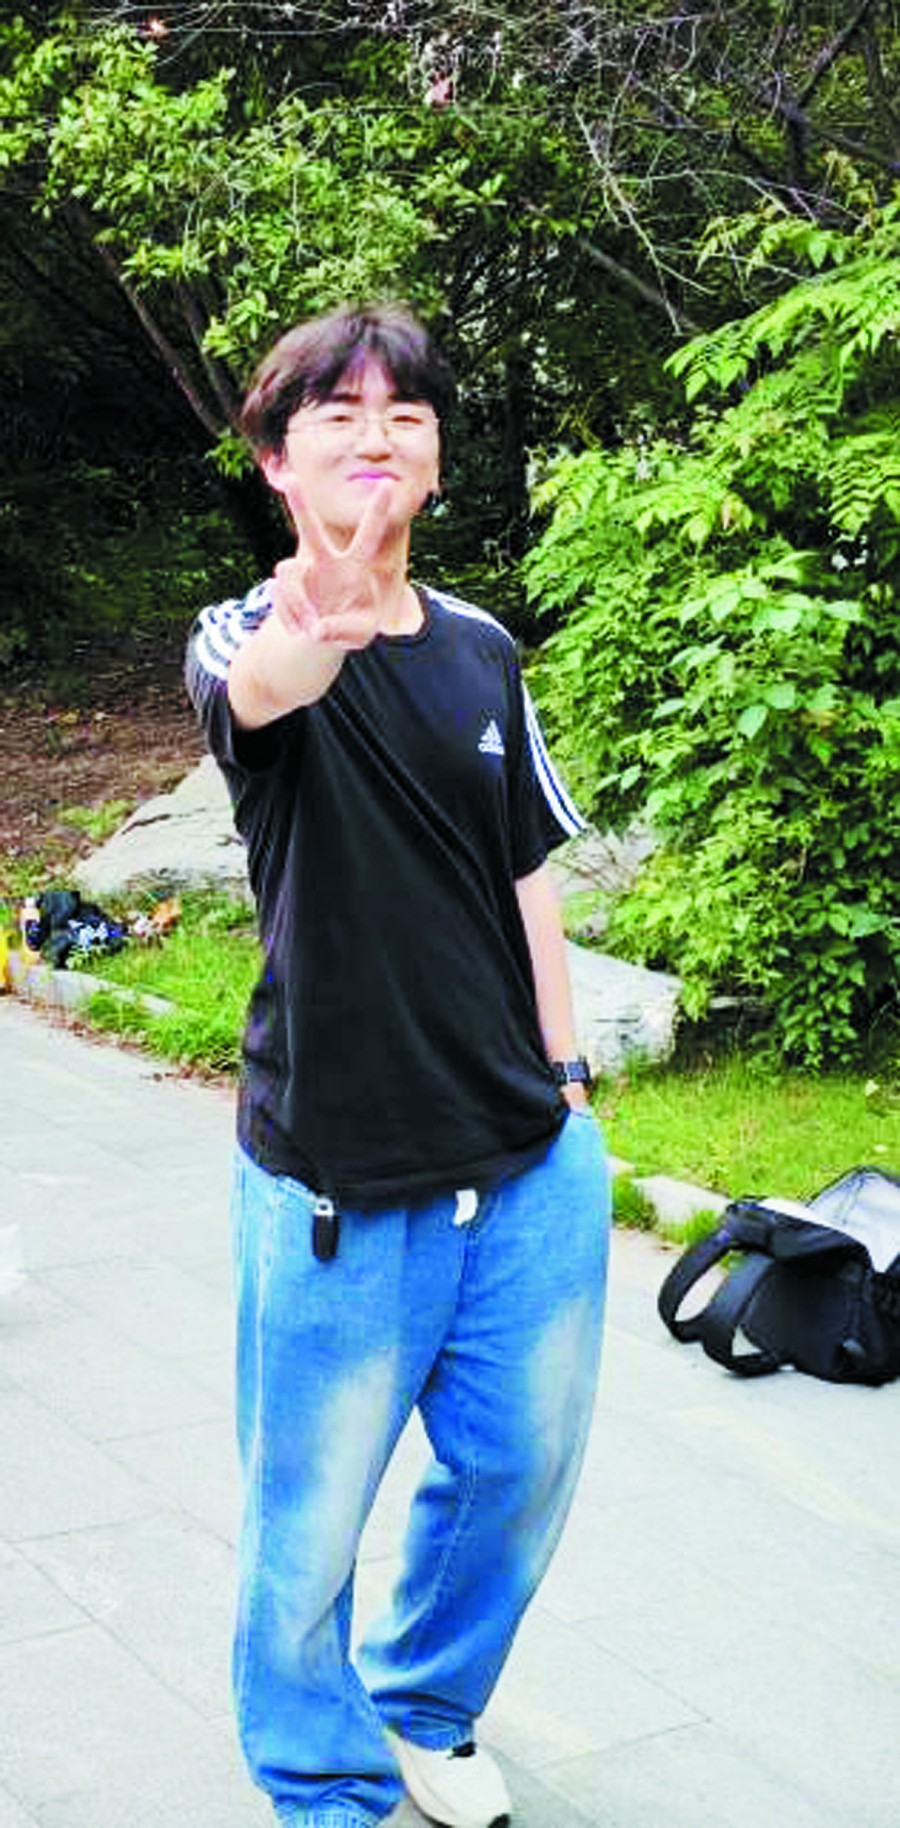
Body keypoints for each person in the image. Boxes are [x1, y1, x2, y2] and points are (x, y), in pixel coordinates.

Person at [185, 302, 610, 1828]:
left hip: (528, 1157)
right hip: (339, 1181)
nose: (376, 435)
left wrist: (571, 1087)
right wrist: (324, 618)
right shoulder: (242, 634)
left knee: (517, 1477)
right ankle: (321, 1783)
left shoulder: (485, 651)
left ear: (434, 458)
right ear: (276, 460)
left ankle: (426, 1703)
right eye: (338, 414)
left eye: (405, 414)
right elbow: (264, 693)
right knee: (307, 1522)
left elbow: (525, 873)